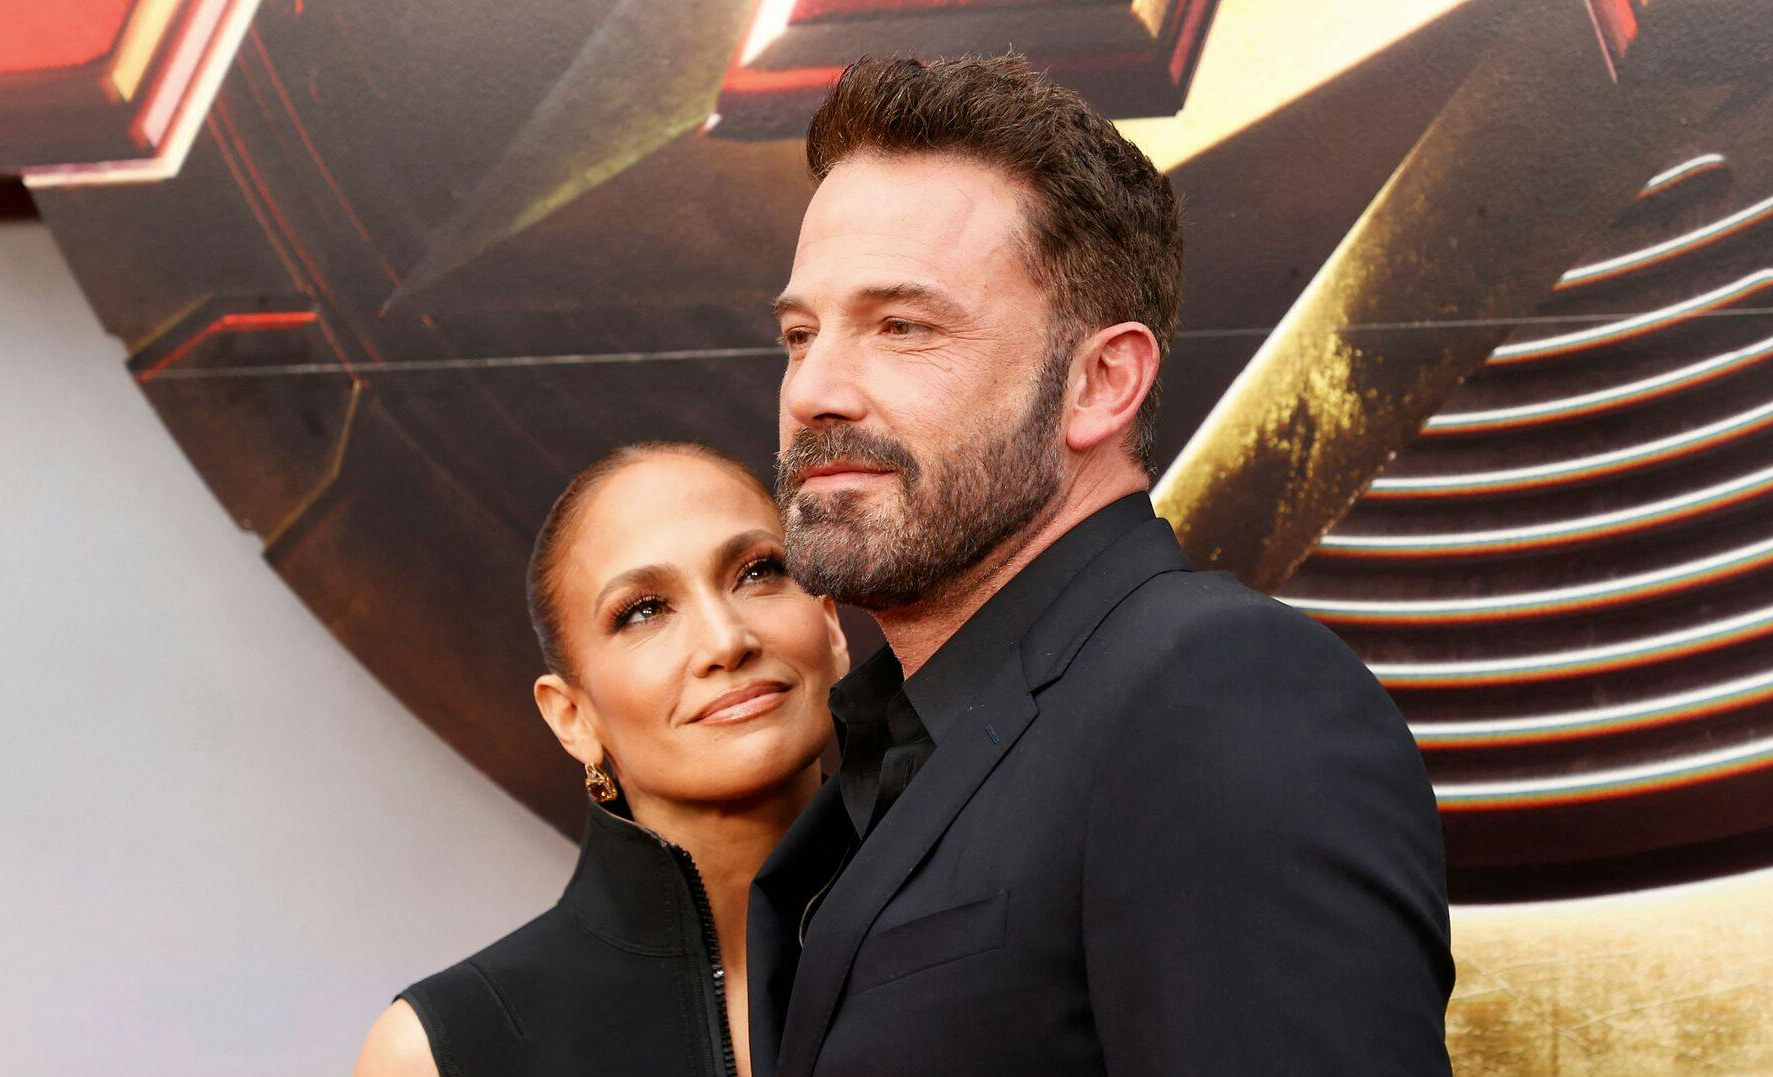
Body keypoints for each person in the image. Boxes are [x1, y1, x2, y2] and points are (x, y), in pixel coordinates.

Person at [748, 55, 1455, 1075]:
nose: (814, 389)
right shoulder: (901, 743)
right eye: (800, 333)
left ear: (1101, 382)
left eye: (902, 327)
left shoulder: (1221, 697)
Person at [354, 442, 850, 1077]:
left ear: (830, 625)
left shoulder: (978, 922)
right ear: (572, 717)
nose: (726, 641)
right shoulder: (444, 1052)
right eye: (644, 611)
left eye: (757, 572)